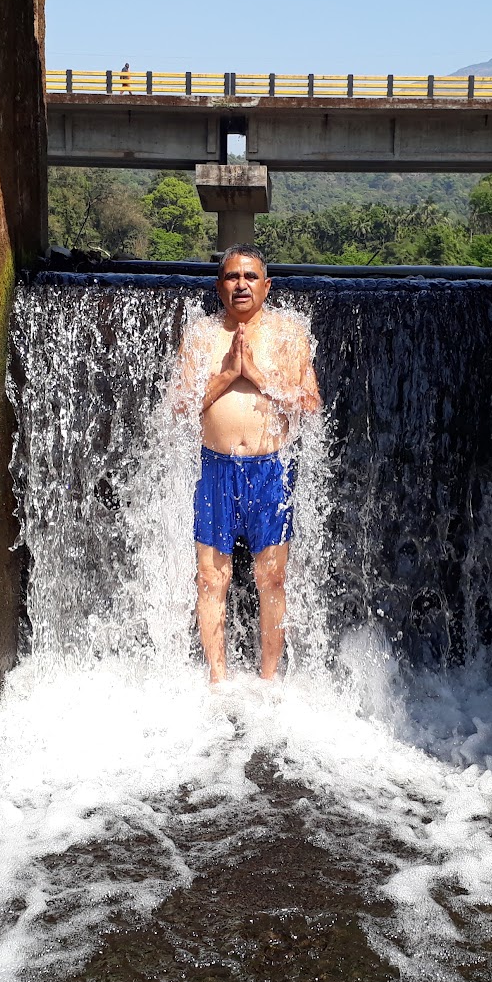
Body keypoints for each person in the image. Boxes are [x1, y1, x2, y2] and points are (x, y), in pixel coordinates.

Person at [173, 244, 321, 682]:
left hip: (270, 470)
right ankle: (217, 681)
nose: (242, 284)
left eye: (250, 276)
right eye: (233, 277)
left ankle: (268, 679)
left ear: (266, 285)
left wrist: (257, 375)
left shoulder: (289, 335)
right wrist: (226, 375)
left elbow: (310, 404)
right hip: (214, 469)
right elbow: (179, 406)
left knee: (271, 577)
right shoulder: (201, 336)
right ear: (220, 286)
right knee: (209, 578)